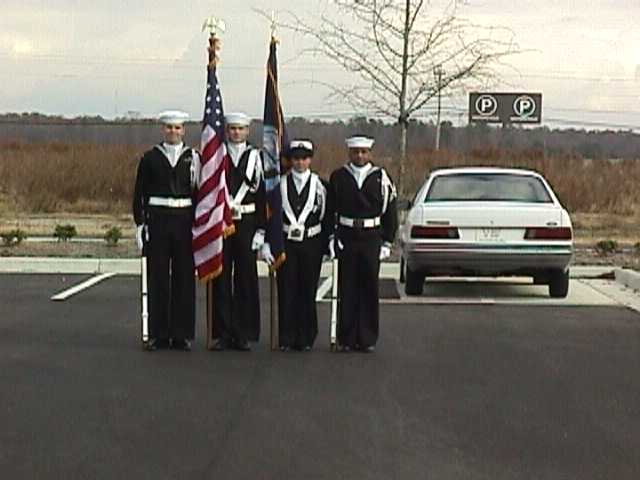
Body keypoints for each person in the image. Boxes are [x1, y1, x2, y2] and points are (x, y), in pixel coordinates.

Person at [132, 110, 200, 351]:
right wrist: (140, 224)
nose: (173, 132)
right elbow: (139, 193)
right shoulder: (150, 157)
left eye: (178, 127)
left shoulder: (194, 158)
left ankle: (182, 334)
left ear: (184, 130)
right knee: (158, 276)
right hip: (158, 220)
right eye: (169, 127)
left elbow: (200, 192)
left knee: (184, 277)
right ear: (163, 129)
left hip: (184, 221)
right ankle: (158, 333)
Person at [328, 135, 398, 353]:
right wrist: (332, 238)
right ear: (349, 153)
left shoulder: (381, 178)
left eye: (363, 152)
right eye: (355, 152)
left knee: (369, 287)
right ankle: (347, 338)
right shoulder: (339, 177)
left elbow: (390, 211)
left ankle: (367, 338)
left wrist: (387, 241)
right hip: (347, 235)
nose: (359, 156)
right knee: (347, 287)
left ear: (370, 153)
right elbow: (330, 210)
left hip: (371, 237)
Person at [210, 112, 270, 351]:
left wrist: (261, 230)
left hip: (247, 222)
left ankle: (243, 332)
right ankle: (223, 333)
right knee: (221, 276)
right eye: (232, 128)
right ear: (227, 131)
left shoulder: (257, 157)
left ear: (247, 131)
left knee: (246, 277)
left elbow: (263, 195)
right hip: (222, 221)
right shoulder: (217, 154)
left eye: (240, 129)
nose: (236, 132)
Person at [276, 140, 332, 351]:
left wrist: (326, 245)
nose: (300, 163)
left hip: (311, 242)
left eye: (304, 158)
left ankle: (306, 336)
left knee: (307, 289)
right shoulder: (280, 184)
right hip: (287, 241)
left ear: (310, 159)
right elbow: (273, 216)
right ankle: (286, 336)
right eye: (296, 159)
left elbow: (326, 216)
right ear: (291, 160)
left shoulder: (321, 185)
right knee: (287, 288)